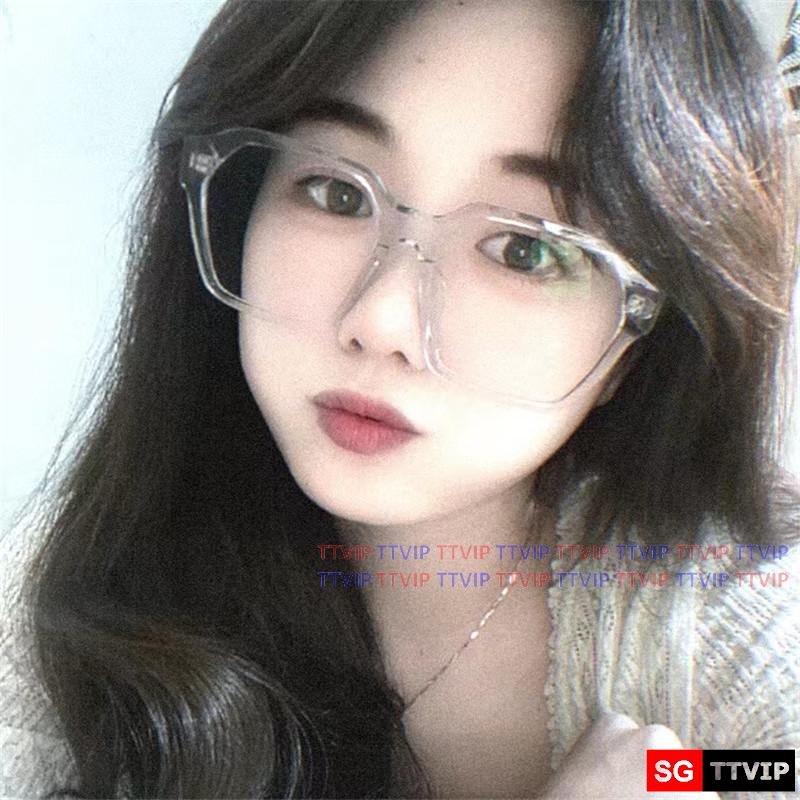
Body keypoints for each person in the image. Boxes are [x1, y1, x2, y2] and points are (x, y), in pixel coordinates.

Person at [1, 1, 798, 798]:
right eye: (336, 192)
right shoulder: (79, 582)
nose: (381, 322)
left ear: (638, 340)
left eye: (525, 250)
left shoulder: (733, 629)